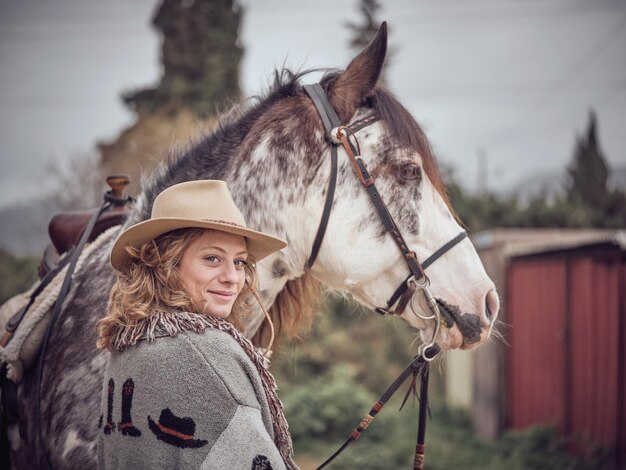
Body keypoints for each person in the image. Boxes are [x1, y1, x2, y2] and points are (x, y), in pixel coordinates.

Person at [96, 180, 297, 470]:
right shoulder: (209, 353)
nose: (232, 277)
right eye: (212, 258)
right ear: (166, 264)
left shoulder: (127, 346)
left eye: (239, 262)